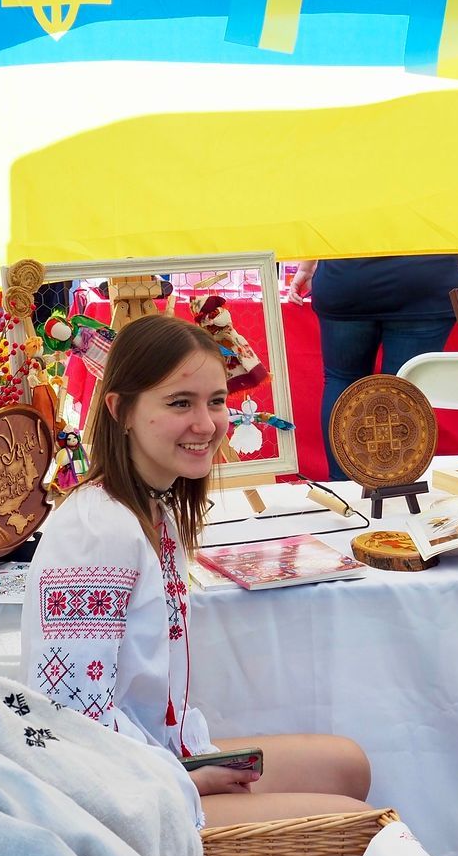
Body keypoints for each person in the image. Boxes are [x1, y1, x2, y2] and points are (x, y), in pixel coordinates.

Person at [20, 315, 371, 828]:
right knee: (354, 824)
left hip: (159, 759)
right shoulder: (99, 532)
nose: (206, 424)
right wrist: (181, 776)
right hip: (121, 799)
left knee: (347, 766)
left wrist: (188, 761)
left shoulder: (152, 508)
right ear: (120, 410)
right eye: (180, 402)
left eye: (217, 400)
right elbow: (73, 724)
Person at [288, 255, 458, 480]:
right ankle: (396, 490)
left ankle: (344, 486)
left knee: (343, 381)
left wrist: (307, 265)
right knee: (404, 389)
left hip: (348, 275)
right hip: (425, 276)